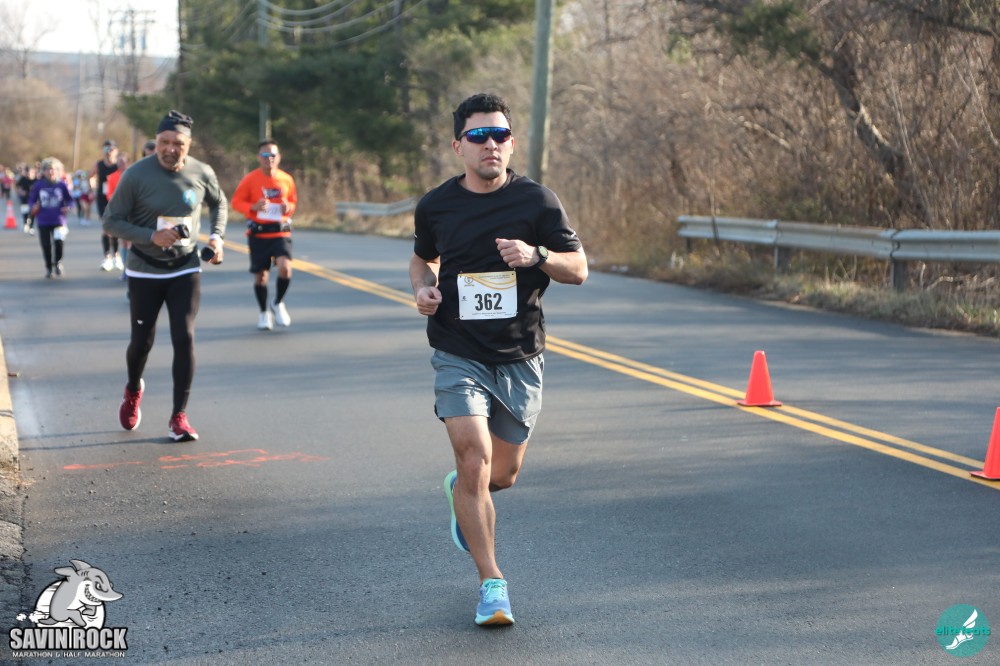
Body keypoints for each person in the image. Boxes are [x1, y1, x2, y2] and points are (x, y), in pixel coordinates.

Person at [408, 93, 588, 626]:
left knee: (501, 476)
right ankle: (492, 584)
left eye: (501, 135)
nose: (491, 144)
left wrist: (537, 255)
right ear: (458, 146)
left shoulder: (538, 202)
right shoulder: (437, 205)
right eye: (479, 136)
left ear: (511, 143)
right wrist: (422, 289)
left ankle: (463, 495)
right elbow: (422, 259)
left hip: (519, 354)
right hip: (457, 349)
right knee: (474, 458)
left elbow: (579, 269)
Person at [102, 111, 227, 443]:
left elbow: (220, 203)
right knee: (141, 342)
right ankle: (133, 389)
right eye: (164, 142)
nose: (170, 149)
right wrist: (149, 236)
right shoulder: (136, 175)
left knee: (184, 337)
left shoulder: (202, 172)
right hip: (144, 268)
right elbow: (110, 221)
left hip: (185, 266)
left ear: (189, 144)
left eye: (178, 144)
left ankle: (178, 417)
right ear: (156, 142)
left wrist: (217, 237)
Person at [230, 140, 298, 330]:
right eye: (265, 155)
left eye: (273, 155)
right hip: (259, 233)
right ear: (259, 158)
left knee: (285, 268)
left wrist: (288, 207)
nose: (270, 159)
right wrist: (253, 206)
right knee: (261, 276)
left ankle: (277, 302)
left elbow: (292, 202)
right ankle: (263, 313)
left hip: (280, 231)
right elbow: (236, 202)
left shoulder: (286, 179)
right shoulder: (250, 179)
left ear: (279, 157)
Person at [28, 157, 74, 278]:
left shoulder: (62, 184)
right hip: (43, 220)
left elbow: (70, 200)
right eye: (48, 169)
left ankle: (57, 262)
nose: (50, 172)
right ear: (43, 171)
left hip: (58, 219)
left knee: (59, 243)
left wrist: (68, 207)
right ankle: (48, 267)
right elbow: (31, 200)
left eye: (53, 169)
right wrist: (33, 207)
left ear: (57, 171)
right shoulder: (38, 185)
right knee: (46, 245)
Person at [91, 139, 122, 271]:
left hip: (117, 199)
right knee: (106, 227)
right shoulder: (99, 164)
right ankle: (107, 257)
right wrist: (92, 189)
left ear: (116, 151)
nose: (108, 152)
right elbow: (90, 176)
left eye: (111, 149)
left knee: (115, 227)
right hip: (102, 198)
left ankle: (116, 255)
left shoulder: (119, 165)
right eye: (106, 149)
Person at [15, 164, 38, 235]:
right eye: (28, 172)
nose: (30, 174)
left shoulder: (36, 180)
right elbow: (17, 186)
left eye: (32, 172)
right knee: (25, 212)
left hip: (33, 200)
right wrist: (21, 192)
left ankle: (31, 227)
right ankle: (25, 223)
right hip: (25, 199)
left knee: (32, 213)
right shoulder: (23, 179)